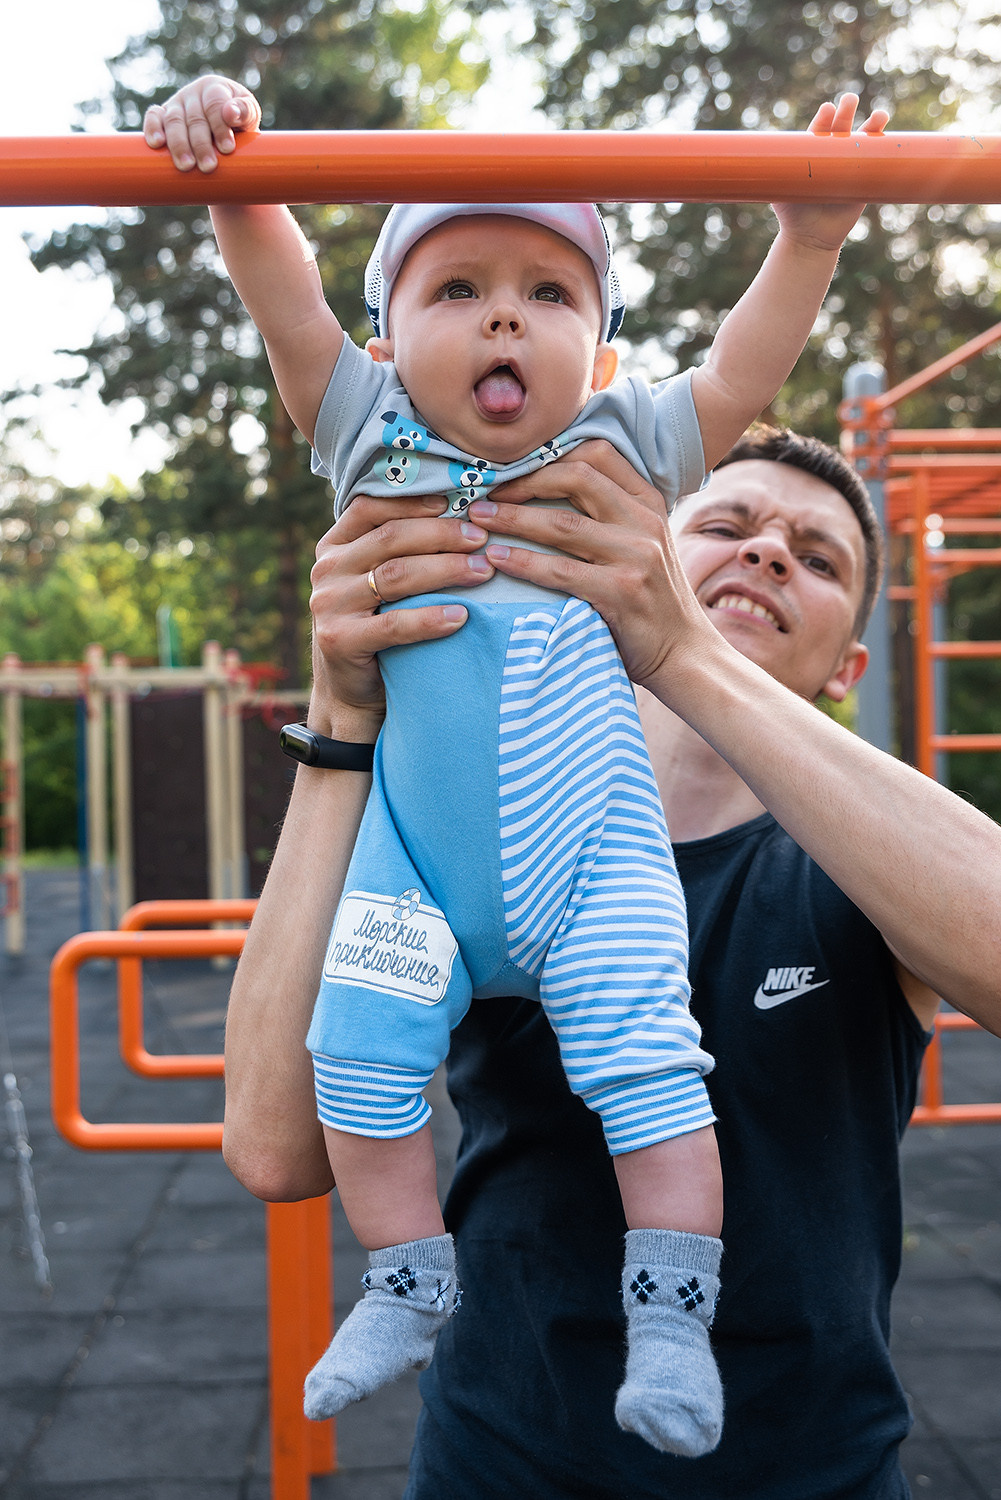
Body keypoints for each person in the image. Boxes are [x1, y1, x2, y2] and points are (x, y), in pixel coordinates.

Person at [144, 75, 891, 1455]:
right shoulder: (367, 431)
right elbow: (285, 298)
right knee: (356, 1059)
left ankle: (670, 1320)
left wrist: (809, 241)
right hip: (411, 858)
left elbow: (738, 369)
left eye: (550, 293)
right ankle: (406, 1282)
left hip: (591, 857)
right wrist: (237, 173)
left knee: (651, 1067)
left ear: (601, 353)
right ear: (386, 336)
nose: (503, 314)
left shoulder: (625, 454)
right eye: (458, 289)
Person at [221, 423, 1001, 1498]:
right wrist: (342, 716)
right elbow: (273, 1148)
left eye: (813, 559)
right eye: (721, 526)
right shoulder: (489, 831)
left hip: (808, 1469)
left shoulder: (864, 862)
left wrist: (682, 651)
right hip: (501, 1456)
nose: (766, 552)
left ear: (845, 667)